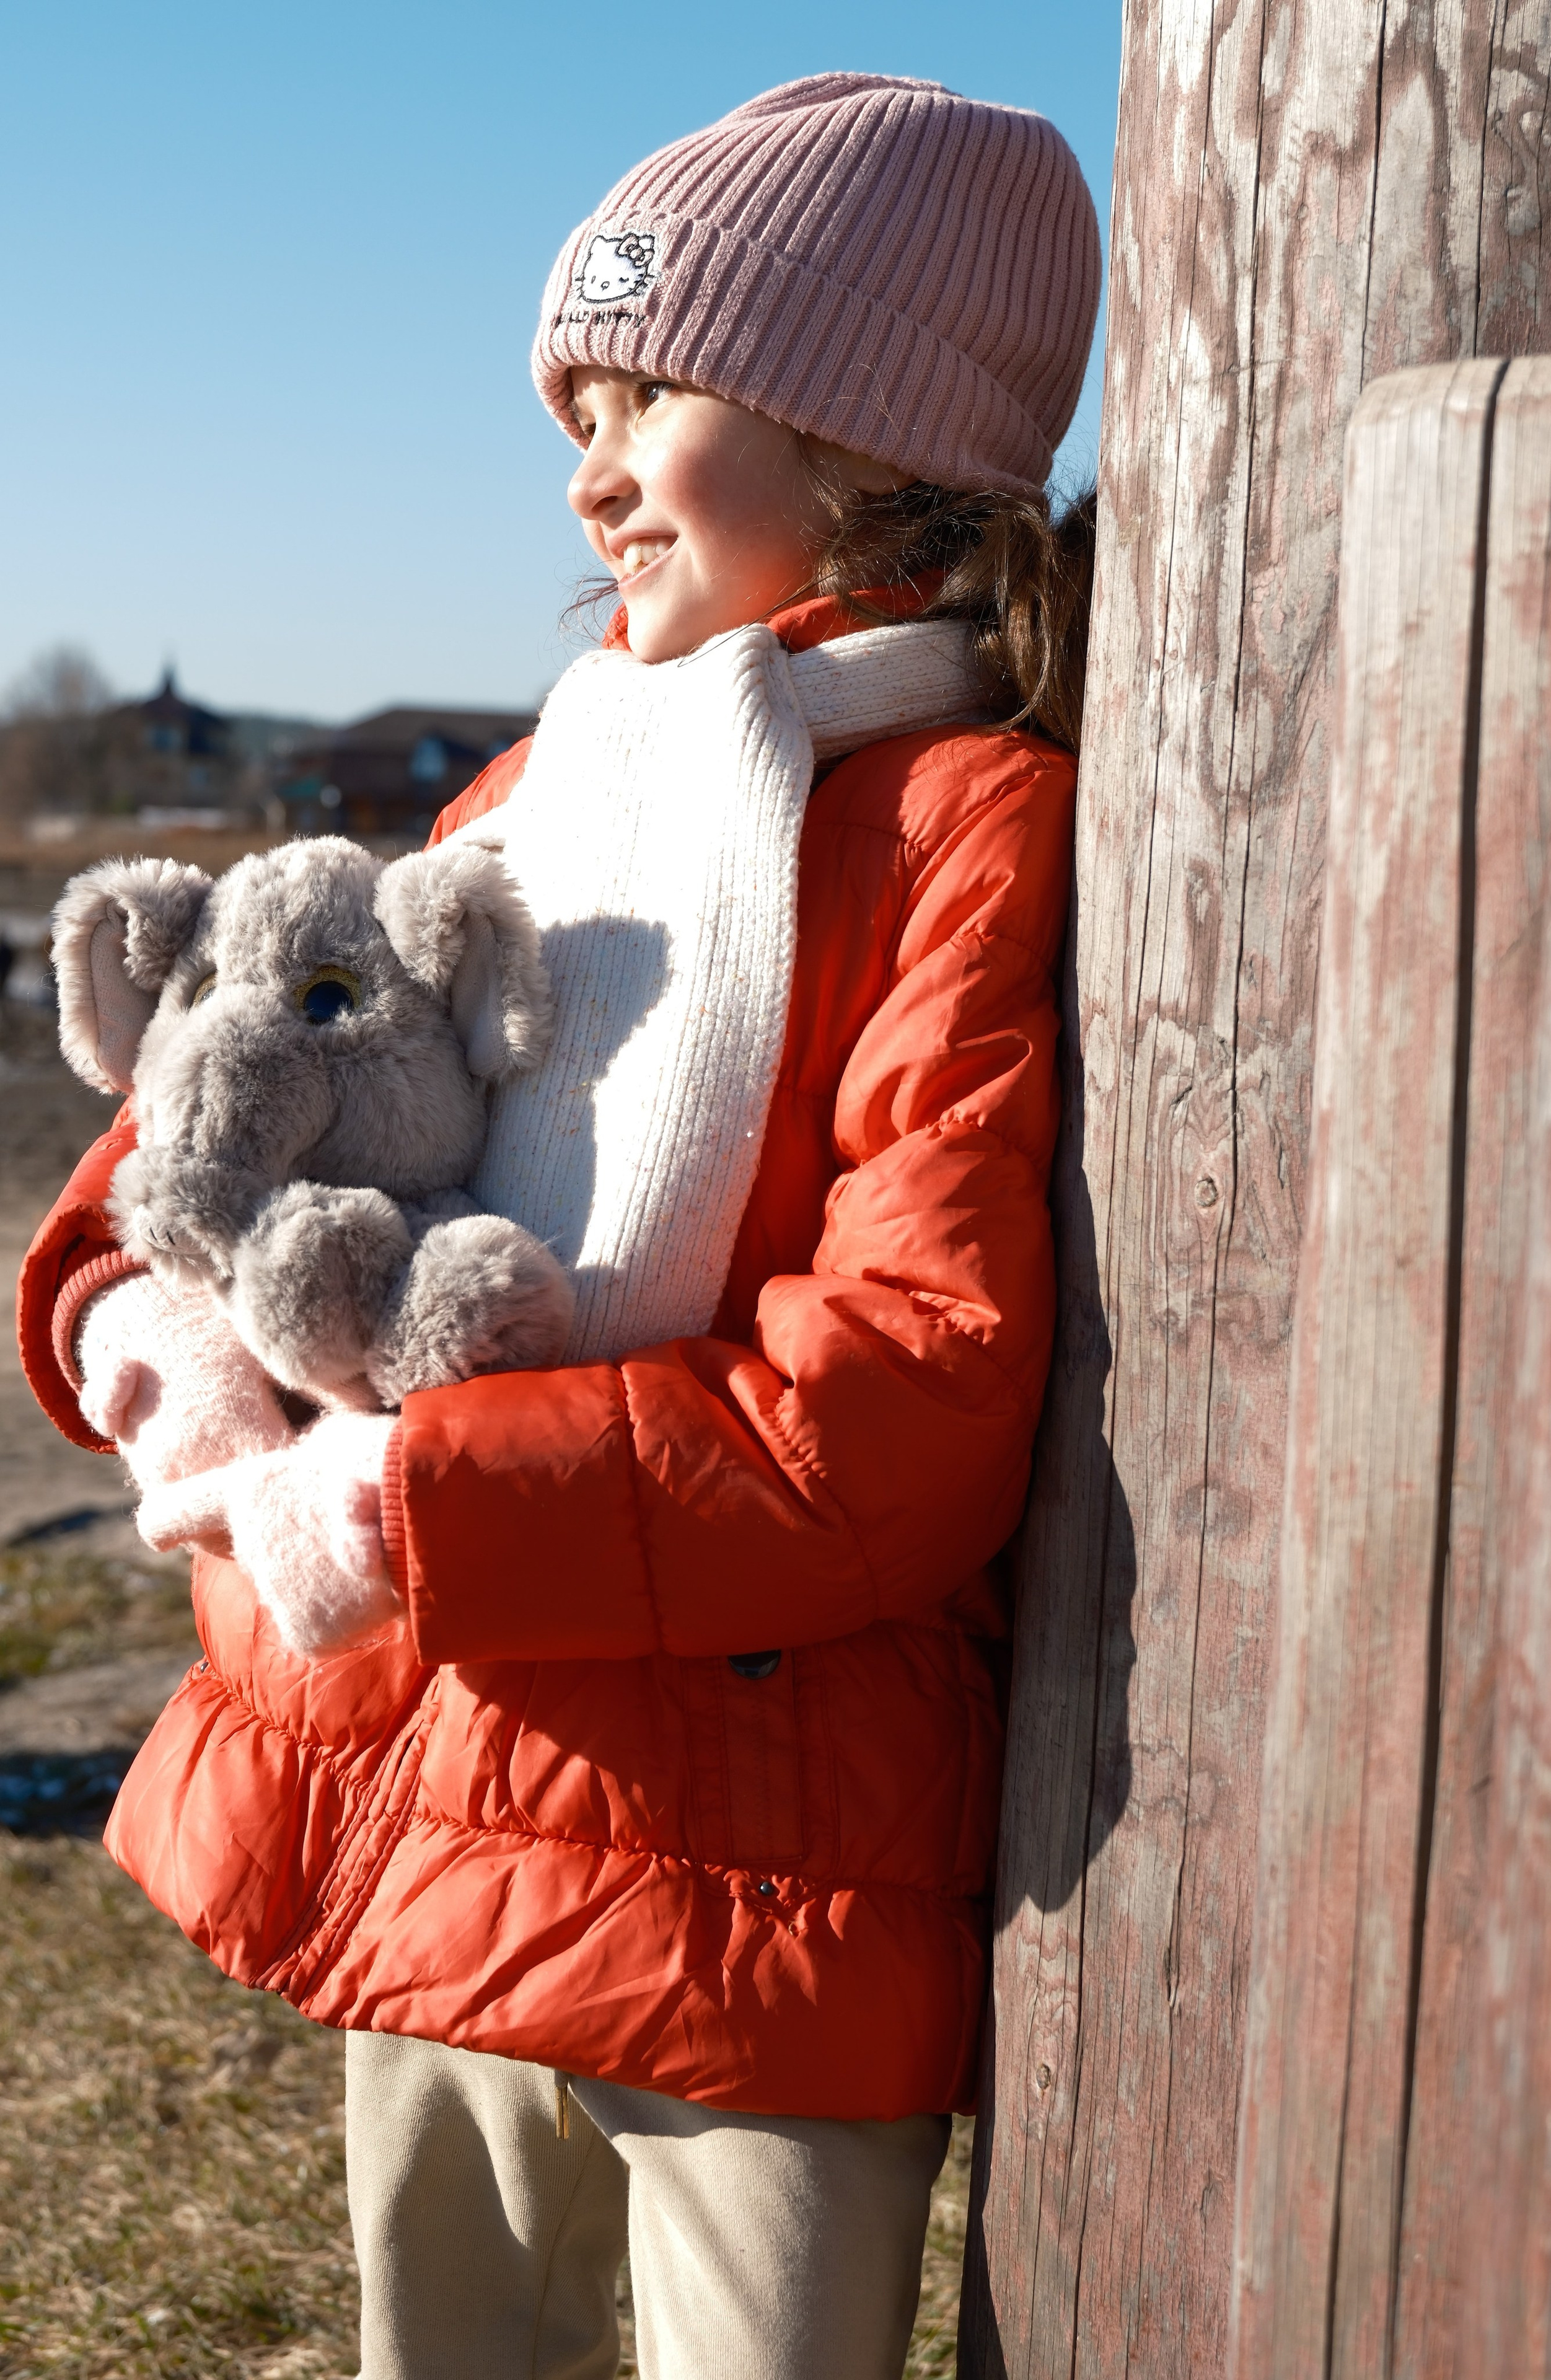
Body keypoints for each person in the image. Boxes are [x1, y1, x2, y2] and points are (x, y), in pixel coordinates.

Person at [17, 71, 1099, 2380]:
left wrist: (407, 1497)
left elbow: (899, 1396)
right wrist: (139, 1327)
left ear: (875, 439)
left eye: (655, 400)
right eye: (574, 410)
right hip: (444, 1802)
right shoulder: (539, 784)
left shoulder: (963, 831)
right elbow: (209, 1122)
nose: (588, 471)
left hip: (764, 1869)